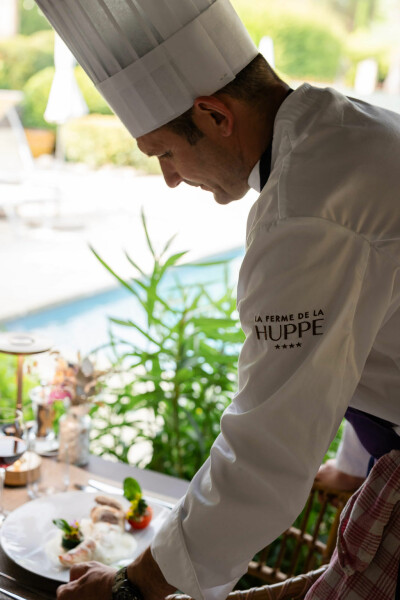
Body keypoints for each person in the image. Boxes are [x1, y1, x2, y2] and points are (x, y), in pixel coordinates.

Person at [34, 2, 400, 600]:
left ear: (213, 115)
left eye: (164, 154)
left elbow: (263, 453)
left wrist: (134, 587)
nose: (170, 179)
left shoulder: (309, 214)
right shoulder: (343, 128)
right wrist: (354, 461)